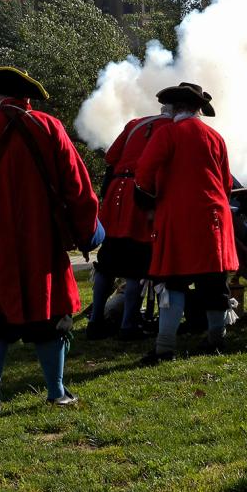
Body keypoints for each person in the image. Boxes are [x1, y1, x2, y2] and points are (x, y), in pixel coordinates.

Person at [0, 63, 102, 414]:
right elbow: (79, 188)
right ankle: (56, 393)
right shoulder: (50, 127)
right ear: (27, 97)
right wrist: (89, 233)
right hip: (41, 242)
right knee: (50, 317)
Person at [134, 82, 239, 363]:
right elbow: (226, 183)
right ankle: (216, 339)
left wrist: (147, 194)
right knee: (214, 284)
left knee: (171, 282)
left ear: (174, 108)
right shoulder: (215, 137)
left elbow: (144, 171)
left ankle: (165, 347)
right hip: (214, 218)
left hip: (177, 218)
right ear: (196, 109)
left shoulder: (168, 133)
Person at [86, 103, 174, 341]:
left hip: (117, 192)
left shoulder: (136, 124)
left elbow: (112, 156)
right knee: (136, 265)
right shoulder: (173, 128)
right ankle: (128, 326)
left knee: (107, 261)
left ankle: (95, 323)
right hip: (141, 195)